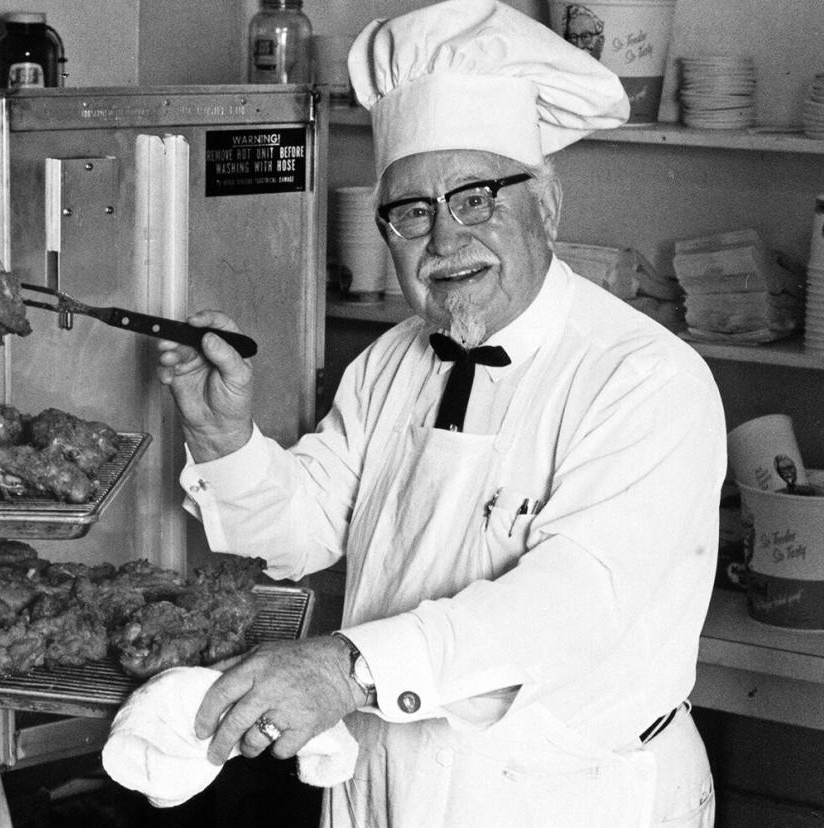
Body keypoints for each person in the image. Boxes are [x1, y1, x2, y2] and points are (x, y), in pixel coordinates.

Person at [155, 0, 726, 824]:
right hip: (380, 778)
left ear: (549, 208)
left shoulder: (643, 378)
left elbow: (573, 607)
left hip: (563, 796)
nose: (444, 240)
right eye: (412, 211)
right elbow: (306, 529)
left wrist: (341, 670)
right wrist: (224, 437)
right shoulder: (392, 360)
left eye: (477, 197)